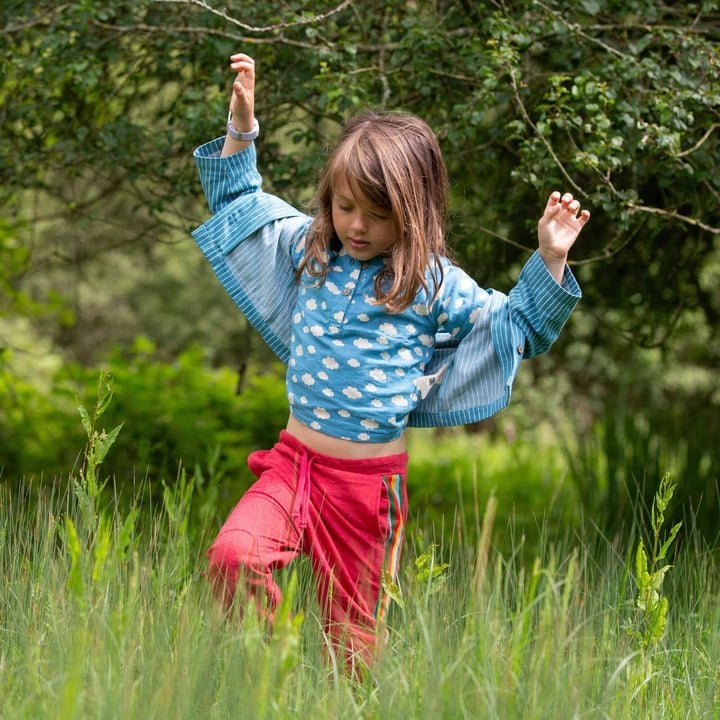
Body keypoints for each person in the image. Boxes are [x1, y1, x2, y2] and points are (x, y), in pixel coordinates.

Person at [191, 53, 590, 669]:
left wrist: (552, 258)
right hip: (293, 468)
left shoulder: (432, 284)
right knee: (233, 558)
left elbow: (517, 327)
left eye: (377, 216)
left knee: (353, 652)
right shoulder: (313, 248)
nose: (356, 225)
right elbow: (243, 207)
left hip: (367, 492)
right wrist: (243, 130)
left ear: (412, 211)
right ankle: (281, 675)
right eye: (346, 206)